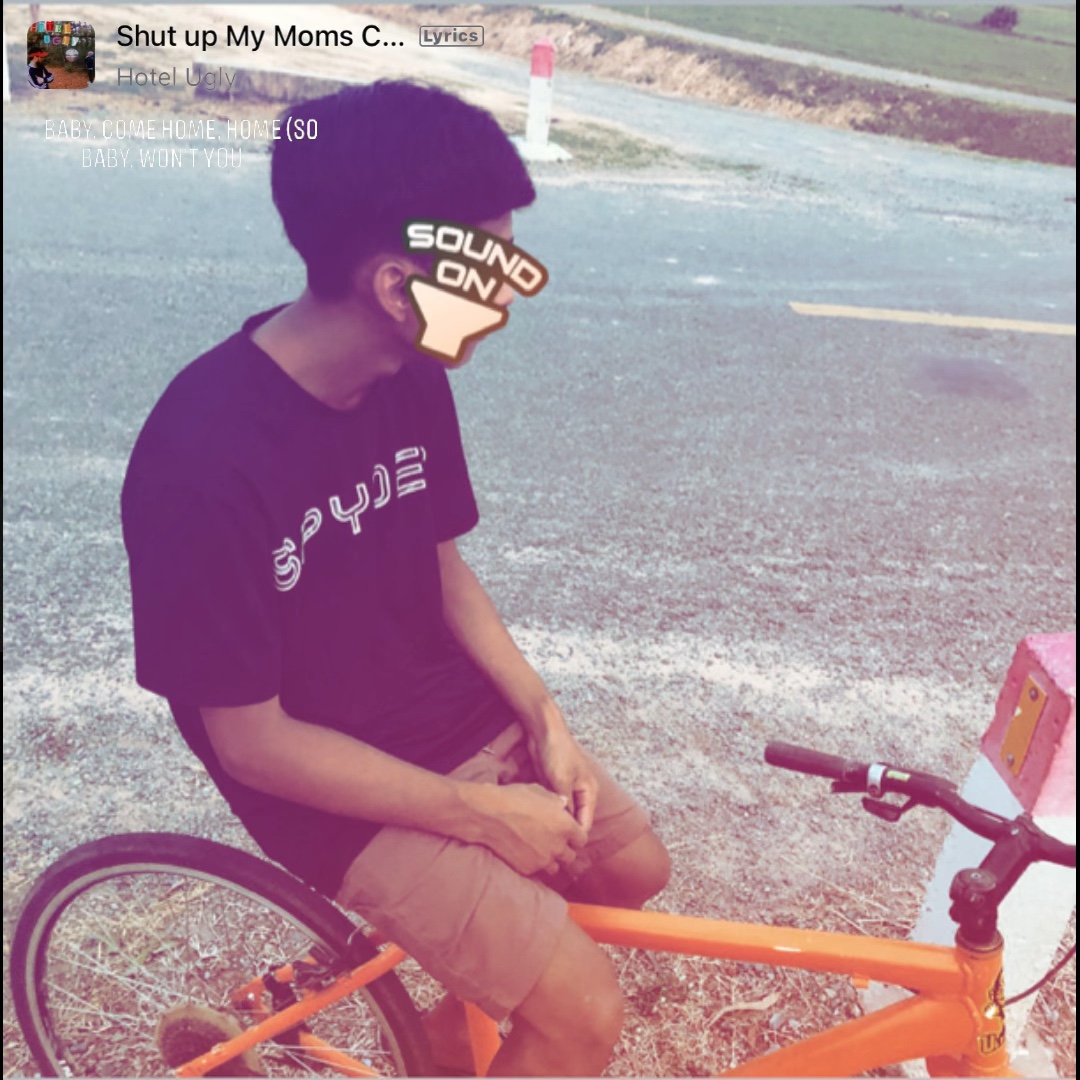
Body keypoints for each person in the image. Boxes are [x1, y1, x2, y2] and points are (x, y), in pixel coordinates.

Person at [121, 80, 670, 1077]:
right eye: (493, 268)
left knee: (632, 871)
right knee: (584, 1016)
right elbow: (254, 744)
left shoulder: (406, 373)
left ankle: (444, 1050)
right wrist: (480, 815)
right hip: (328, 786)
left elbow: (441, 566)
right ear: (394, 286)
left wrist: (545, 718)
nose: (508, 297)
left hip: (438, 708)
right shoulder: (199, 466)